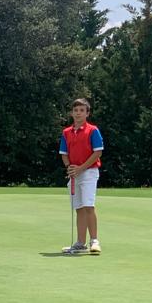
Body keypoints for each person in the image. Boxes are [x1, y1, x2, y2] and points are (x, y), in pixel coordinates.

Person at [59, 98, 104, 255]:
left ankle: (94, 241)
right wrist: (70, 168)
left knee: (88, 206)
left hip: (89, 172)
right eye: (76, 110)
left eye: (82, 111)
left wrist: (81, 168)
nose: (78, 113)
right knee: (78, 208)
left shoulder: (93, 130)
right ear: (72, 113)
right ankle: (80, 243)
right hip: (74, 173)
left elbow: (97, 152)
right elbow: (64, 154)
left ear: (87, 113)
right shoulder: (66, 132)